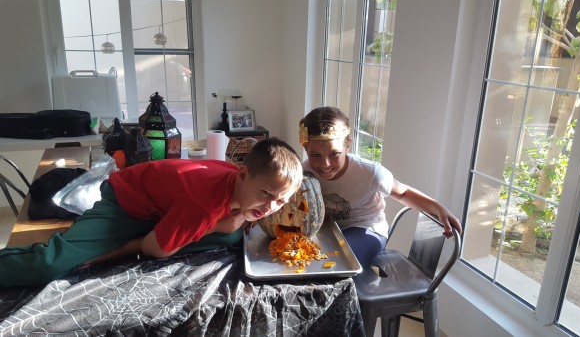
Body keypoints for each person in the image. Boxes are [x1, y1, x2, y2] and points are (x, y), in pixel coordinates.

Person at [0, 138, 304, 287]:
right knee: (54, 263)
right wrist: (111, 254)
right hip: (126, 200)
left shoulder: (236, 180)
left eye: (280, 200)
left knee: (232, 236)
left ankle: (174, 229)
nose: (270, 207)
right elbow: (154, 249)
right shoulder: (202, 208)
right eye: (266, 194)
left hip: (165, 208)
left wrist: (232, 222)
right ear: (242, 175)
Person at [299, 107, 462, 267]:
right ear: (305, 148)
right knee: (302, 259)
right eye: (315, 155)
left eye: (334, 154)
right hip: (327, 231)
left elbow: (404, 193)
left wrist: (438, 208)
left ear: (347, 145)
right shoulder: (302, 173)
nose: (325, 164)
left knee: (337, 262)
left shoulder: (371, 173)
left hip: (366, 229)